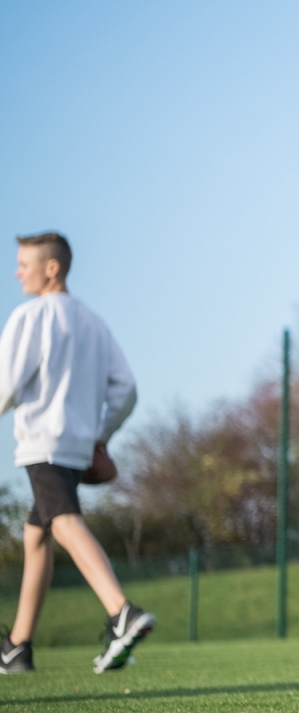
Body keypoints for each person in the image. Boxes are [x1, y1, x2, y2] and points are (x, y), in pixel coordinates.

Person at [0, 233, 155, 674]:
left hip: (42, 441)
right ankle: (17, 647)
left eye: (23, 264)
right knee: (37, 534)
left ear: (52, 268)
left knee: (63, 521)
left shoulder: (30, 316)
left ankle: (121, 611)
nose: (16, 272)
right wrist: (99, 436)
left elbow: (6, 382)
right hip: (76, 446)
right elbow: (126, 390)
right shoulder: (93, 322)